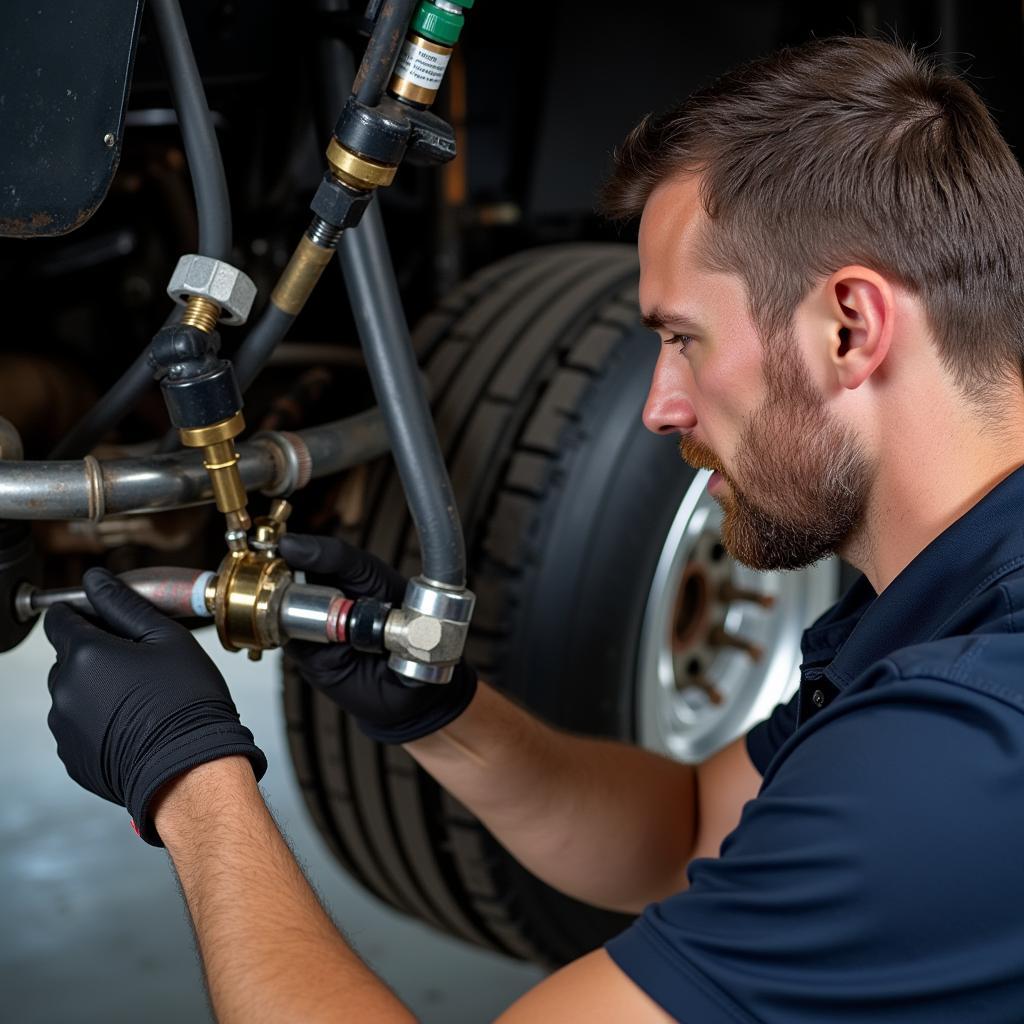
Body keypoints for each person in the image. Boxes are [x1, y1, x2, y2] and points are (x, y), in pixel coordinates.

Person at [42, 35, 1024, 1022]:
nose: (659, 407)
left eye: (683, 339)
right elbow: (685, 830)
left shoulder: (961, 748)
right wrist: (443, 714)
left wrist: (185, 775)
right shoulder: (948, 598)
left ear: (849, 327)